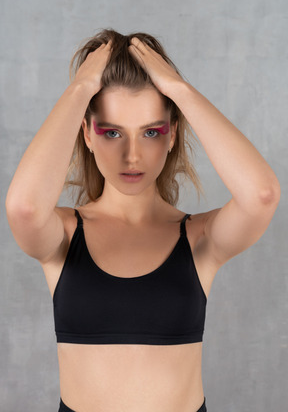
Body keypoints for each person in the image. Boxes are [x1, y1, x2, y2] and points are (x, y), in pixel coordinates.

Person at [5, 28, 280, 412]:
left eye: (151, 131)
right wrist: (81, 87)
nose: (132, 156)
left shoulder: (198, 238)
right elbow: (23, 208)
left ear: (172, 136)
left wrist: (178, 90)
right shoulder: (64, 236)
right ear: (86, 132)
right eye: (112, 132)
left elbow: (261, 195)